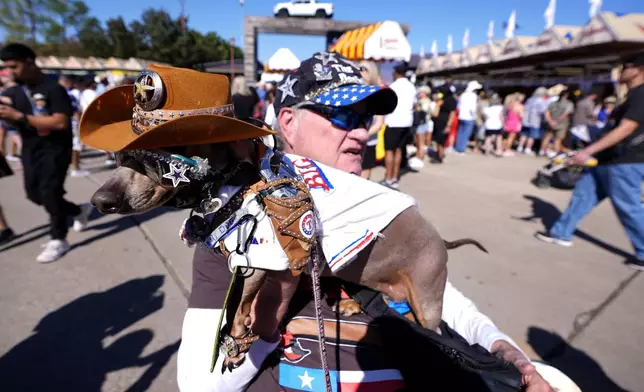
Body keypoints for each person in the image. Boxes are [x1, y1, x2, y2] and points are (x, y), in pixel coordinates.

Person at [176, 51, 553, 391]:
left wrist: (499, 346)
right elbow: (201, 385)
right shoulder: (238, 231)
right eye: (342, 114)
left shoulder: (382, 207)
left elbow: (444, 299)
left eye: (365, 118)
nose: (361, 131)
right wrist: (270, 311)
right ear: (288, 122)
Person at [535, 53, 644, 271]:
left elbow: (628, 128)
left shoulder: (642, 95)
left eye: (627, 66)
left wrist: (588, 151)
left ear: (640, 69)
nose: (621, 70)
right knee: (582, 196)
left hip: (625, 162)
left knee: (628, 207)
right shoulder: (630, 96)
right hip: (606, 161)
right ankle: (560, 233)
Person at [0, 43, 92, 263]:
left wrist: (20, 117)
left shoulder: (53, 89)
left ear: (29, 62)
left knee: (50, 192)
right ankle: (78, 211)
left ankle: (58, 238)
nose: (10, 72)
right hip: (30, 149)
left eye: (14, 66)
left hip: (56, 148)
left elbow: (60, 122)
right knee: (34, 194)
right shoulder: (13, 92)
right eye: (6, 68)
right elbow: (5, 119)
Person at [382, 63, 416, 189]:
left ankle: (389, 177)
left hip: (394, 121)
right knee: (399, 150)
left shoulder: (393, 86)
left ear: (396, 73)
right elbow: (413, 104)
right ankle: (395, 177)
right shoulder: (411, 87)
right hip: (406, 122)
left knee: (389, 150)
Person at [358, 60, 385, 180]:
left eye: (363, 69)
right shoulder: (352, 92)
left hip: (368, 142)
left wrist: (363, 134)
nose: (360, 71)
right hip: (353, 141)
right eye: (358, 68)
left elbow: (379, 123)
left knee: (364, 176)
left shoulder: (378, 95)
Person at [58, 75, 89, 177]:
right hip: (72, 124)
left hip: (60, 124)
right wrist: (81, 125)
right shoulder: (68, 95)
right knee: (76, 146)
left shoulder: (56, 93)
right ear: (67, 82)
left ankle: (71, 166)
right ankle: (75, 168)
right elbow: (75, 112)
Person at [541, 88, 574, 157]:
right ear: (567, 95)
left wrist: (550, 121)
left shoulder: (553, 103)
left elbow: (546, 112)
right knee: (558, 139)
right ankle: (555, 153)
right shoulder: (569, 103)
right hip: (561, 124)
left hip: (550, 124)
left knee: (547, 137)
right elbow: (565, 114)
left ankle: (542, 151)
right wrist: (556, 121)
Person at [517, 87, 549, 155]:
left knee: (524, 134)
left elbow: (525, 109)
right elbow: (544, 111)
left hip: (526, 121)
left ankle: (520, 147)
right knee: (531, 136)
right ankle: (528, 149)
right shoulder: (541, 100)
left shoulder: (530, 99)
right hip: (535, 121)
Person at [431, 86, 458, 163]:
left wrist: (448, 125)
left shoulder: (451, 100)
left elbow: (452, 113)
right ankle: (439, 154)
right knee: (438, 139)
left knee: (441, 140)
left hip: (444, 123)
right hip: (438, 122)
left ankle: (440, 156)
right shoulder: (442, 99)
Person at [453, 81, 482, 154]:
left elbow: (459, 106)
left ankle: (458, 147)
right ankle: (461, 149)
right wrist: (475, 116)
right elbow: (473, 108)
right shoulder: (473, 96)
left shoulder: (463, 94)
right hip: (469, 117)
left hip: (461, 116)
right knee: (466, 134)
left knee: (460, 132)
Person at [408, 85, 433, 170]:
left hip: (422, 124)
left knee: (421, 142)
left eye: (421, 92)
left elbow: (423, 111)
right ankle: (419, 156)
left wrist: (416, 106)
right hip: (420, 124)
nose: (420, 93)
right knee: (418, 142)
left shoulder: (426, 101)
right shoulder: (422, 100)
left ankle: (420, 157)